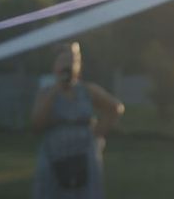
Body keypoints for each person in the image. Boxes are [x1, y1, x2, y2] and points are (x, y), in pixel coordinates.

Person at [31, 42, 125, 199]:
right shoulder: (46, 92)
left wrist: (97, 132)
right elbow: (36, 124)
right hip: (54, 153)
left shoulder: (87, 90)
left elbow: (115, 108)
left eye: (73, 61)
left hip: (85, 154)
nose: (68, 66)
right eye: (63, 62)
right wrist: (56, 90)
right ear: (55, 66)